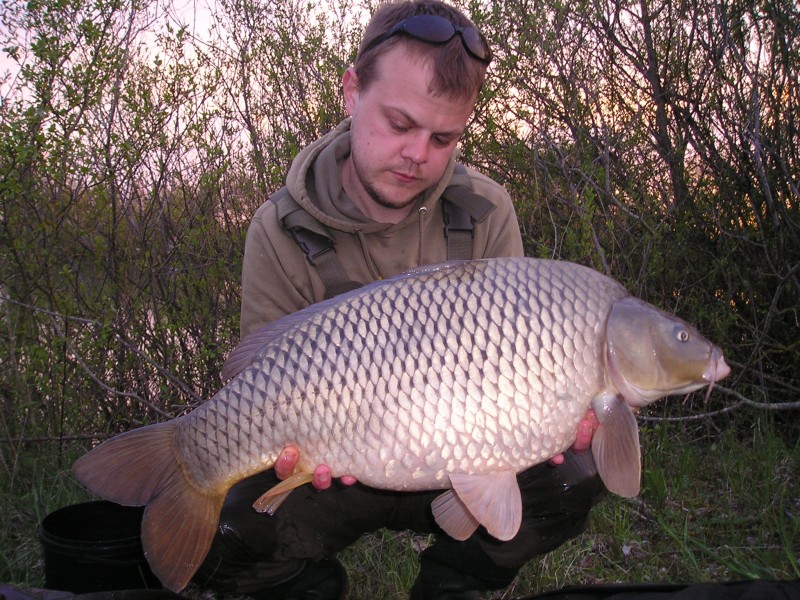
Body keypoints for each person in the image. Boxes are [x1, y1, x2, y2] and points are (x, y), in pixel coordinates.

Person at [193, 1, 605, 598]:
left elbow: (521, 367)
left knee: (573, 472)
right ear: (351, 92)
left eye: (444, 137)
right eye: (399, 123)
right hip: (334, 467)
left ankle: (454, 586)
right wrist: (289, 451)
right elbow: (258, 375)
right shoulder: (279, 230)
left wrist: (560, 411)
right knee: (235, 523)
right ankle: (306, 584)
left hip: (459, 454)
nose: (419, 154)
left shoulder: (485, 212)